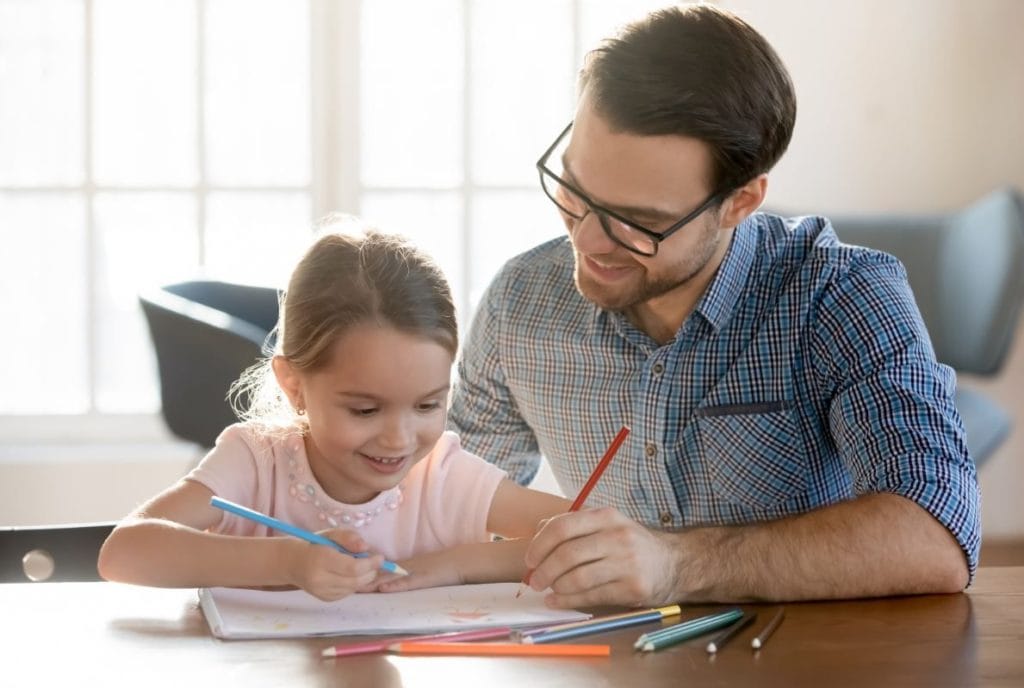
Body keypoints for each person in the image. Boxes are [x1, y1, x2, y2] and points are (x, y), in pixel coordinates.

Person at [448, 4, 979, 608]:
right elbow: (442, 503)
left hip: (803, 656)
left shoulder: (842, 296)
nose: (587, 242)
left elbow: (937, 536)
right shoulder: (519, 304)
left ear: (740, 201)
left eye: (636, 222)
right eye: (574, 190)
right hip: (607, 659)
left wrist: (674, 564)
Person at [99, 223, 570, 601]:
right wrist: (286, 562)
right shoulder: (255, 462)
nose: (398, 438)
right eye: (365, 410)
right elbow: (122, 554)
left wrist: (453, 564)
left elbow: (586, 535)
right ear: (294, 385)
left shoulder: (442, 476)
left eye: (428, 404)